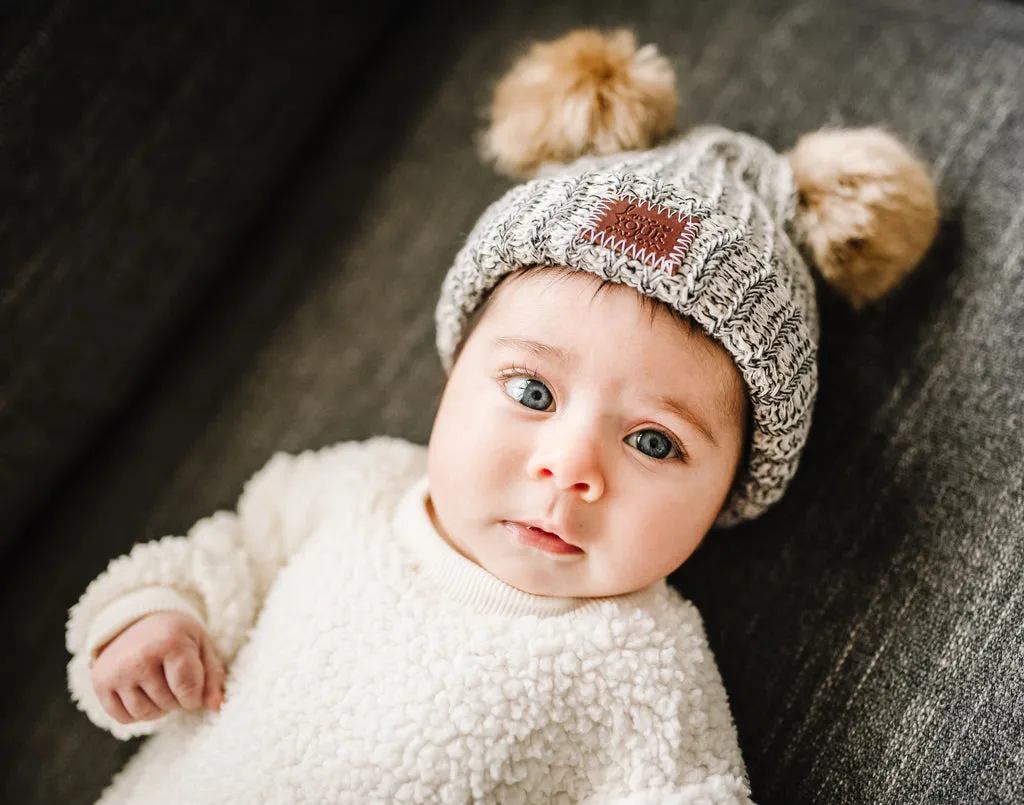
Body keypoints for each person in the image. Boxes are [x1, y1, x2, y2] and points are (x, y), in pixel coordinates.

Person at [65, 29, 938, 804]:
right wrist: (152, 621)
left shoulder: (639, 668)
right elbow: (213, 559)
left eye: (652, 441)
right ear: (452, 375)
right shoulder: (345, 488)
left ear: (731, 496)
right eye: (531, 393)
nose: (570, 466)